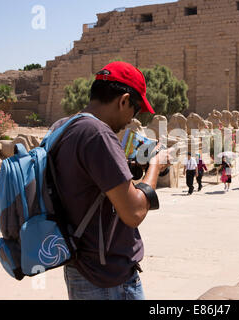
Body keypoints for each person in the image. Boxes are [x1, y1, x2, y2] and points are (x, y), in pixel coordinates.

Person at [48, 61, 172, 300]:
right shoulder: (98, 134)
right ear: (123, 100)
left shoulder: (63, 126)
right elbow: (134, 212)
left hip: (82, 266)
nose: (131, 119)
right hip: (107, 278)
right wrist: (156, 164)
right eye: (135, 110)